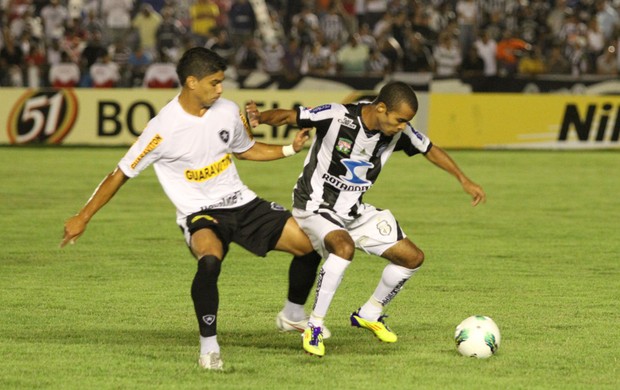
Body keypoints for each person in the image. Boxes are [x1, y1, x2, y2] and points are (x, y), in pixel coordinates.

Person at [60, 47, 327, 370]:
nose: (220, 89)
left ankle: (292, 315)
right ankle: (209, 347)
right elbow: (120, 174)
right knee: (210, 261)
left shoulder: (227, 110)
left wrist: (288, 149)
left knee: (311, 244)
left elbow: (246, 149)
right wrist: (83, 216)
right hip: (200, 212)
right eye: (214, 83)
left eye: (221, 82)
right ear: (191, 82)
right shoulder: (163, 128)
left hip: (241, 202)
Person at [246, 81, 486, 357]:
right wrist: (259, 118)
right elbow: (292, 115)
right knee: (343, 248)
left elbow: (430, 148)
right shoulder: (337, 116)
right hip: (314, 205)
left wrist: (463, 179)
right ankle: (314, 325)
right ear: (381, 108)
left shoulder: (399, 130)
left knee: (412, 258)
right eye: (399, 120)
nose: (403, 127)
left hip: (353, 211)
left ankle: (369, 313)